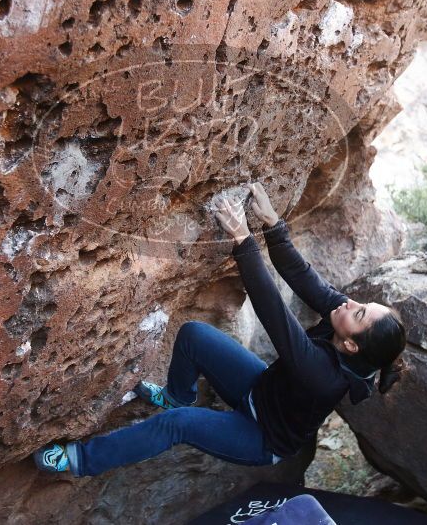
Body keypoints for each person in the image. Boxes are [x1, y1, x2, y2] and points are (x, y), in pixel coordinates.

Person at [32, 181, 406, 476]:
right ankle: (179, 393)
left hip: (262, 438)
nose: (350, 303)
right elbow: (306, 280)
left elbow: (274, 312)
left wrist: (243, 240)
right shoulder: (344, 320)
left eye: (359, 313)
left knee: (176, 426)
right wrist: (273, 225)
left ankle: (79, 460)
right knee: (193, 334)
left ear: (352, 346)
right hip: (260, 390)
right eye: (361, 304)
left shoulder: (325, 377)